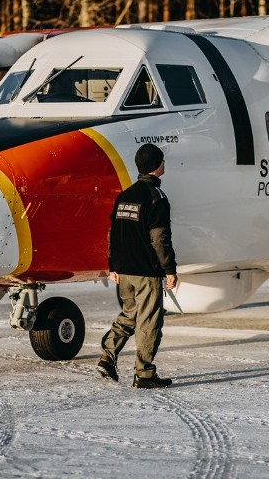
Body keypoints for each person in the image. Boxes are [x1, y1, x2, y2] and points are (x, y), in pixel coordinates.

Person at [97, 143, 178, 388]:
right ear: (156, 166)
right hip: (145, 272)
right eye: (162, 161)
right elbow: (159, 238)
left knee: (130, 315)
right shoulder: (157, 198)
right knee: (149, 322)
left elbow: (113, 234)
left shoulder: (125, 195)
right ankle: (144, 373)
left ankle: (107, 357)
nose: (165, 164)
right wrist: (170, 269)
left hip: (124, 272)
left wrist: (112, 265)